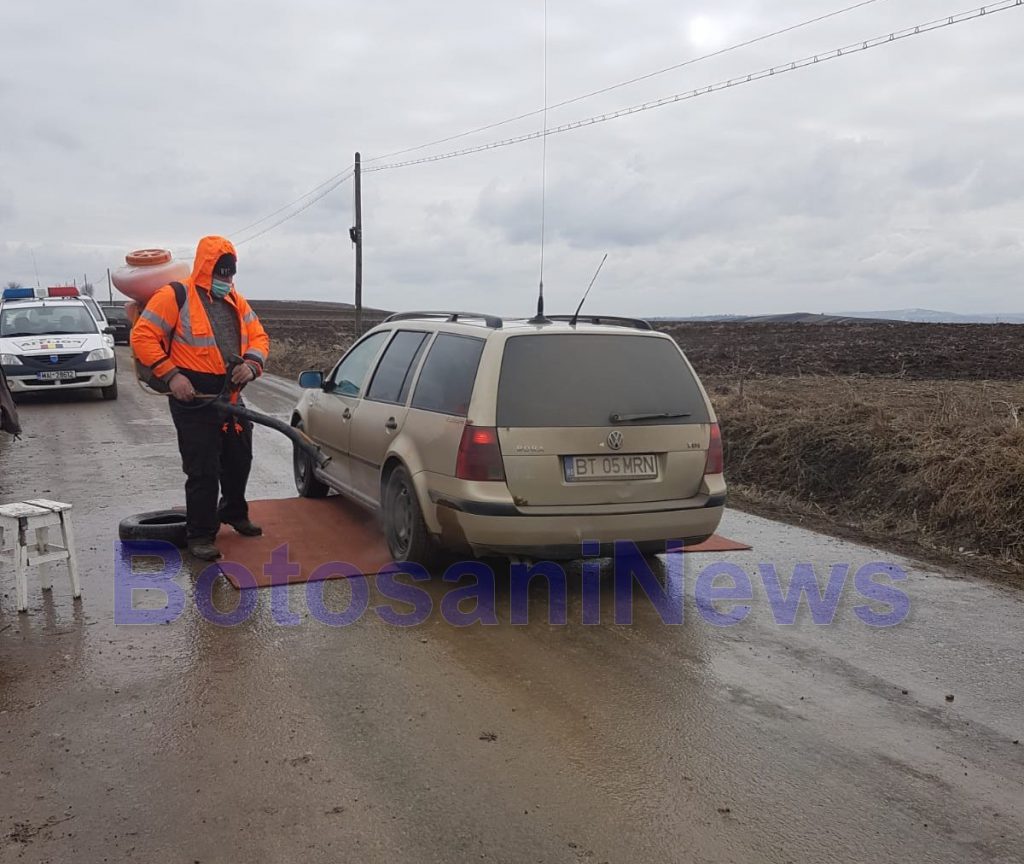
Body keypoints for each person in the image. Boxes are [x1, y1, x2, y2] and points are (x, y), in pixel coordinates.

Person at [131, 236, 270, 561]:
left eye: (230, 275)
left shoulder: (235, 300)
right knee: (203, 469)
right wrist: (172, 375)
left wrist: (251, 365)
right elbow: (143, 336)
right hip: (193, 400)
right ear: (205, 269)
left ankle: (234, 512)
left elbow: (260, 336)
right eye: (221, 274)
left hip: (230, 397)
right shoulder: (175, 296)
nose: (226, 281)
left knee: (239, 460)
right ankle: (201, 534)